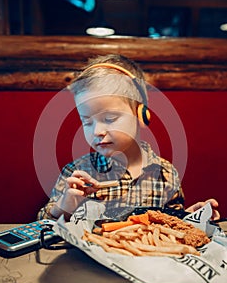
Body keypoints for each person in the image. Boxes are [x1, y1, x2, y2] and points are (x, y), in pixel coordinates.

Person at [37, 54, 220, 222]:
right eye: (87, 122)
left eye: (109, 119)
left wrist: (191, 218)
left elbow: (170, 221)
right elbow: (42, 225)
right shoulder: (76, 173)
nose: (97, 131)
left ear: (142, 114)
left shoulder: (165, 174)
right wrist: (63, 208)